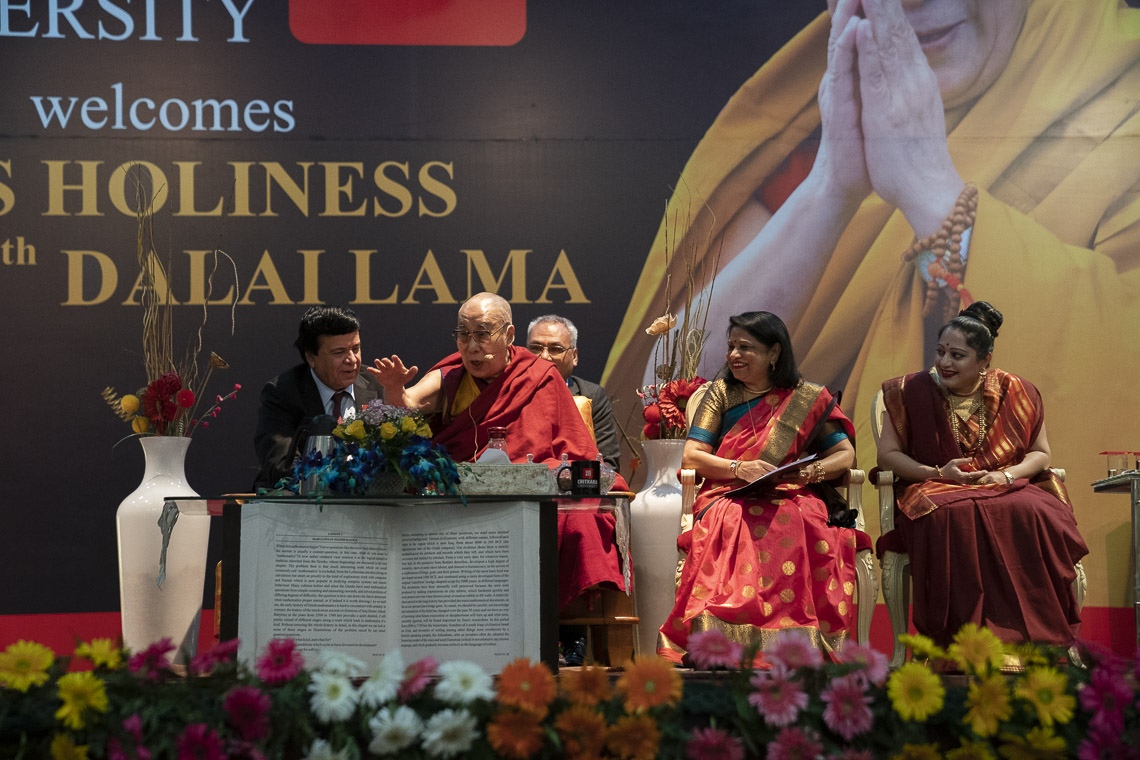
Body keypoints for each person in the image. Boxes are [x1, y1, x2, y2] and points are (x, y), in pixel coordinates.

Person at [604, 0, 1140, 537]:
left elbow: (1113, 364)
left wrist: (932, 190)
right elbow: (670, 392)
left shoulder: (1119, 72)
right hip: (767, 506)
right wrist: (831, 186)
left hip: (908, 502)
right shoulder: (817, 109)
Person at [369, 292, 630, 610]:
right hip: (465, 495)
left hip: (531, 493)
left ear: (508, 335)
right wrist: (394, 387)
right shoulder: (451, 375)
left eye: (482, 333)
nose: (471, 346)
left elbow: (575, 454)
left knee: (578, 520)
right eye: (463, 335)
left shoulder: (539, 376)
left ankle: (560, 627)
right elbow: (408, 406)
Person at [875, 301, 1088, 647]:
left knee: (1036, 512)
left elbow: (1041, 453)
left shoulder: (1017, 390)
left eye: (957, 356)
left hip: (1004, 484)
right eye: (940, 352)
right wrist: (938, 472)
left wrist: (1006, 476)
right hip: (936, 485)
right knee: (952, 517)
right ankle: (960, 639)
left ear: (985, 359)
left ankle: (1032, 639)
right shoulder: (908, 391)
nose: (944, 363)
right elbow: (887, 456)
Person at [658, 311, 858, 664]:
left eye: (745, 347)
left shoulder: (807, 397)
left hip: (790, 492)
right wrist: (740, 467)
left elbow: (844, 454)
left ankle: (796, 642)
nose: (734, 355)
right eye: (731, 346)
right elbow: (692, 457)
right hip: (729, 493)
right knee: (733, 520)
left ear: (775, 353)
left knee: (802, 519)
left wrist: (809, 473)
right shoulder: (720, 394)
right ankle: (721, 639)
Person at [253, 306, 379, 490]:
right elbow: (281, 466)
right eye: (339, 352)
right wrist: (341, 484)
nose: (352, 359)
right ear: (311, 356)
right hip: (300, 505)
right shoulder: (282, 393)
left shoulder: (378, 384)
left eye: (356, 349)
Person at [526, 314, 621, 470]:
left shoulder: (590, 395)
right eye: (535, 348)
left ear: (574, 356)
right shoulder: (511, 390)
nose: (544, 356)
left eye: (555, 349)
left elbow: (609, 465)